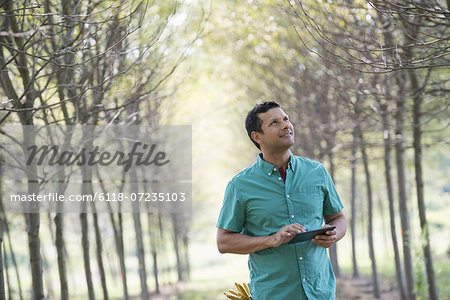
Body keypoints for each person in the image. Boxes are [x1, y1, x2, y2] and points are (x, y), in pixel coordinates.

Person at [216, 101, 347, 300]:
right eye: (274, 123)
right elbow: (224, 242)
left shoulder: (316, 172)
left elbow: (338, 218)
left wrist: (334, 234)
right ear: (257, 136)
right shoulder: (240, 185)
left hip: (320, 292)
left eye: (285, 119)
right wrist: (271, 240)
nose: (286, 125)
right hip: (273, 294)